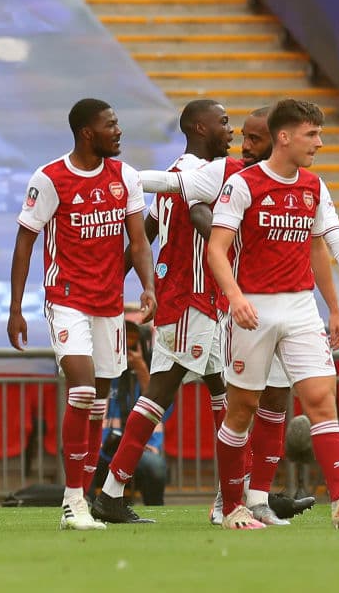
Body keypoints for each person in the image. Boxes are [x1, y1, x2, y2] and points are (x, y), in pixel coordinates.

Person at [141, 107, 339, 525]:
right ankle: (232, 507)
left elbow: (327, 243)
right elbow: (216, 248)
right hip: (252, 308)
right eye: (312, 134)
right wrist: (235, 298)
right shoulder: (240, 184)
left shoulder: (313, 186)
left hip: (300, 307)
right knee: (241, 409)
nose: (319, 143)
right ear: (285, 137)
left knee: (321, 400)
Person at [7, 98, 156, 531]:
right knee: (83, 391)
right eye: (111, 125)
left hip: (109, 305)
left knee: (97, 405)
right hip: (67, 299)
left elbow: (138, 242)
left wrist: (147, 285)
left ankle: (84, 499)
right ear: (88, 133)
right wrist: (16, 309)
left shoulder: (125, 177)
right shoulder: (50, 178)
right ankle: (73, 500)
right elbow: (25, 241)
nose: (119, 131)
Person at [91, 99, 232, 524]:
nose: (231, 130)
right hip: (192, 301)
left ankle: (234, 496)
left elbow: (148, 231)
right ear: (200, 128)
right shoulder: (194, 178)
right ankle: (111, 492)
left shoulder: (179, 174)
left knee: (226, 394)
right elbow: (195, 213)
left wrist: (120, 279)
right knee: (161, 393)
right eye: (224, 122)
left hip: (193, 300)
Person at [90, 319, 169, 506]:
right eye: (122, 340)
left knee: (156, 467)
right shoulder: (104, 372)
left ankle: (155, 510)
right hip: (103, 447)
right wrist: (111, 362)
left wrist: (141, 368)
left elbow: (162, 411)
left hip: (143, 450)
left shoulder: (154, 375)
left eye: (132, 339)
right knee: (84, 456)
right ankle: (87, 506)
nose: (127, 346)